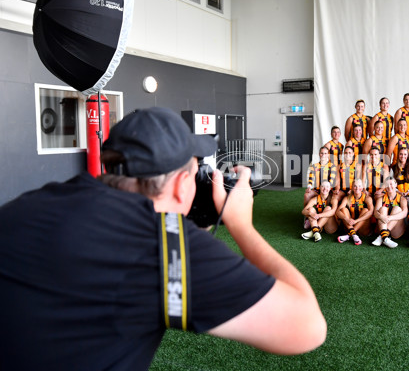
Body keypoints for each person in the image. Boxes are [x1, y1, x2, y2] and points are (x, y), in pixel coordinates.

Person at [0, 107, 326, 369]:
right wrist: (242, 225)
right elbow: (308, 328)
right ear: (181, 185)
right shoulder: (159, 246)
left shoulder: (32, 202)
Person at [372, 177, 409, 248]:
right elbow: (375, 212)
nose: (389, 186)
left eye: (391, 184)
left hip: (396, 231)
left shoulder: (402, 198)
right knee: (383, 209)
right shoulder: (381, 198)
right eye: (387, 185)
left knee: (397, 209)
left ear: (396, 184)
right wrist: (381, 217)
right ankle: (385, 238)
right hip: (383, 226)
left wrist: (390, 217)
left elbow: (404, 213)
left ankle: (382, 236)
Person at [336, 179, 374, 245]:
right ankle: (354, 235)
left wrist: (356, 221)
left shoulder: (367, 198)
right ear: (352, 187)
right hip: (350, 225)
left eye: (359, 186)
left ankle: (349, 235)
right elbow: (338, 211)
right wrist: (347, 219)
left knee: (366, 210)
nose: (357, 188)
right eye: (355, 186)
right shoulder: (347, 198)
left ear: (362, 188)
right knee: (343, 209)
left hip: (363, 230)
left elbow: (371, 212)